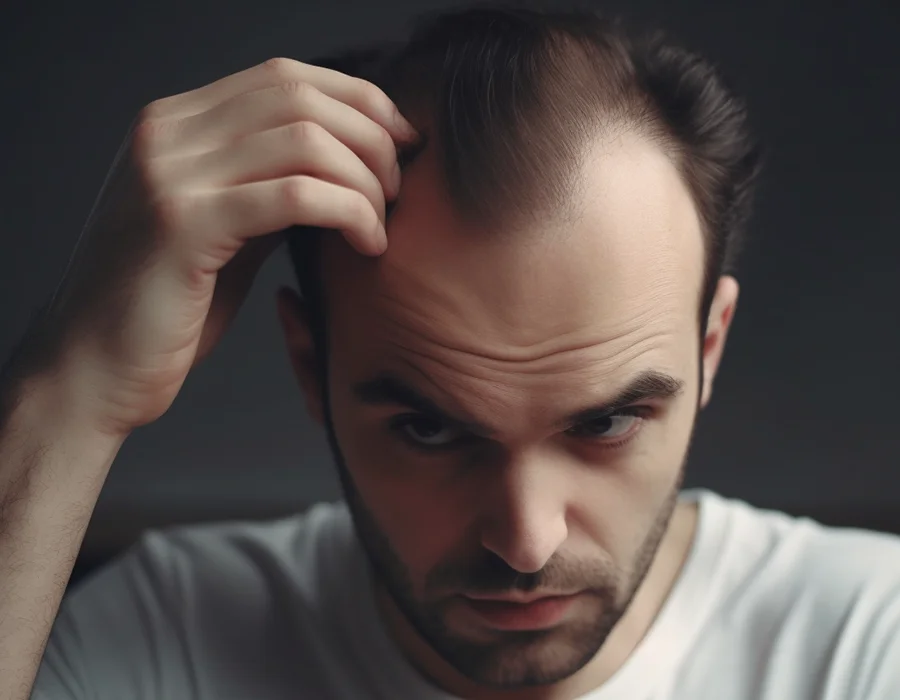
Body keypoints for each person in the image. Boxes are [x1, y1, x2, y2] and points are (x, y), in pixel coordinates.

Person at [1, 3, 898, 699]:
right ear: (311, 367)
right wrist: (67, 394)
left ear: (709, 349)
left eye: (607, 423)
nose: (525, 541)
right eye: (429, 430)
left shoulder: (868, 643)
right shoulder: (162, 639)